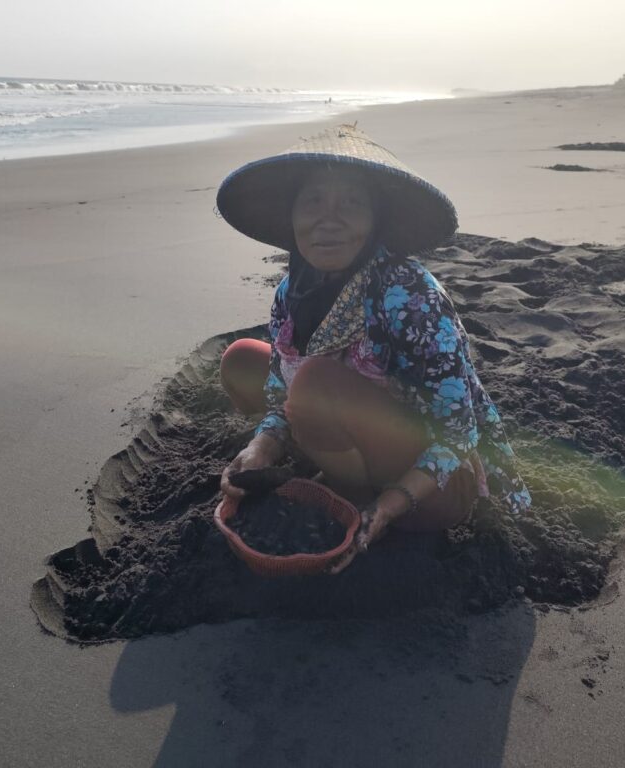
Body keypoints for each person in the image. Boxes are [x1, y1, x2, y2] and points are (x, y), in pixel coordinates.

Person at [215, 125, 530, 572]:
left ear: (375, 220)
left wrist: (392, 502)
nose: (330, 219)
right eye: (313, 202)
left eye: (351, 204)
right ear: (291, 216)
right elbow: (274, 391)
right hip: (341, 422)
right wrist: (262, 446)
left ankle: (350, 496)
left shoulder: (409, 294)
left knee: (314, 384)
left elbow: (458, 432)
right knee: (241, 359)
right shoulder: (292, 289)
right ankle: (328, 462)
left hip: (430, 482)